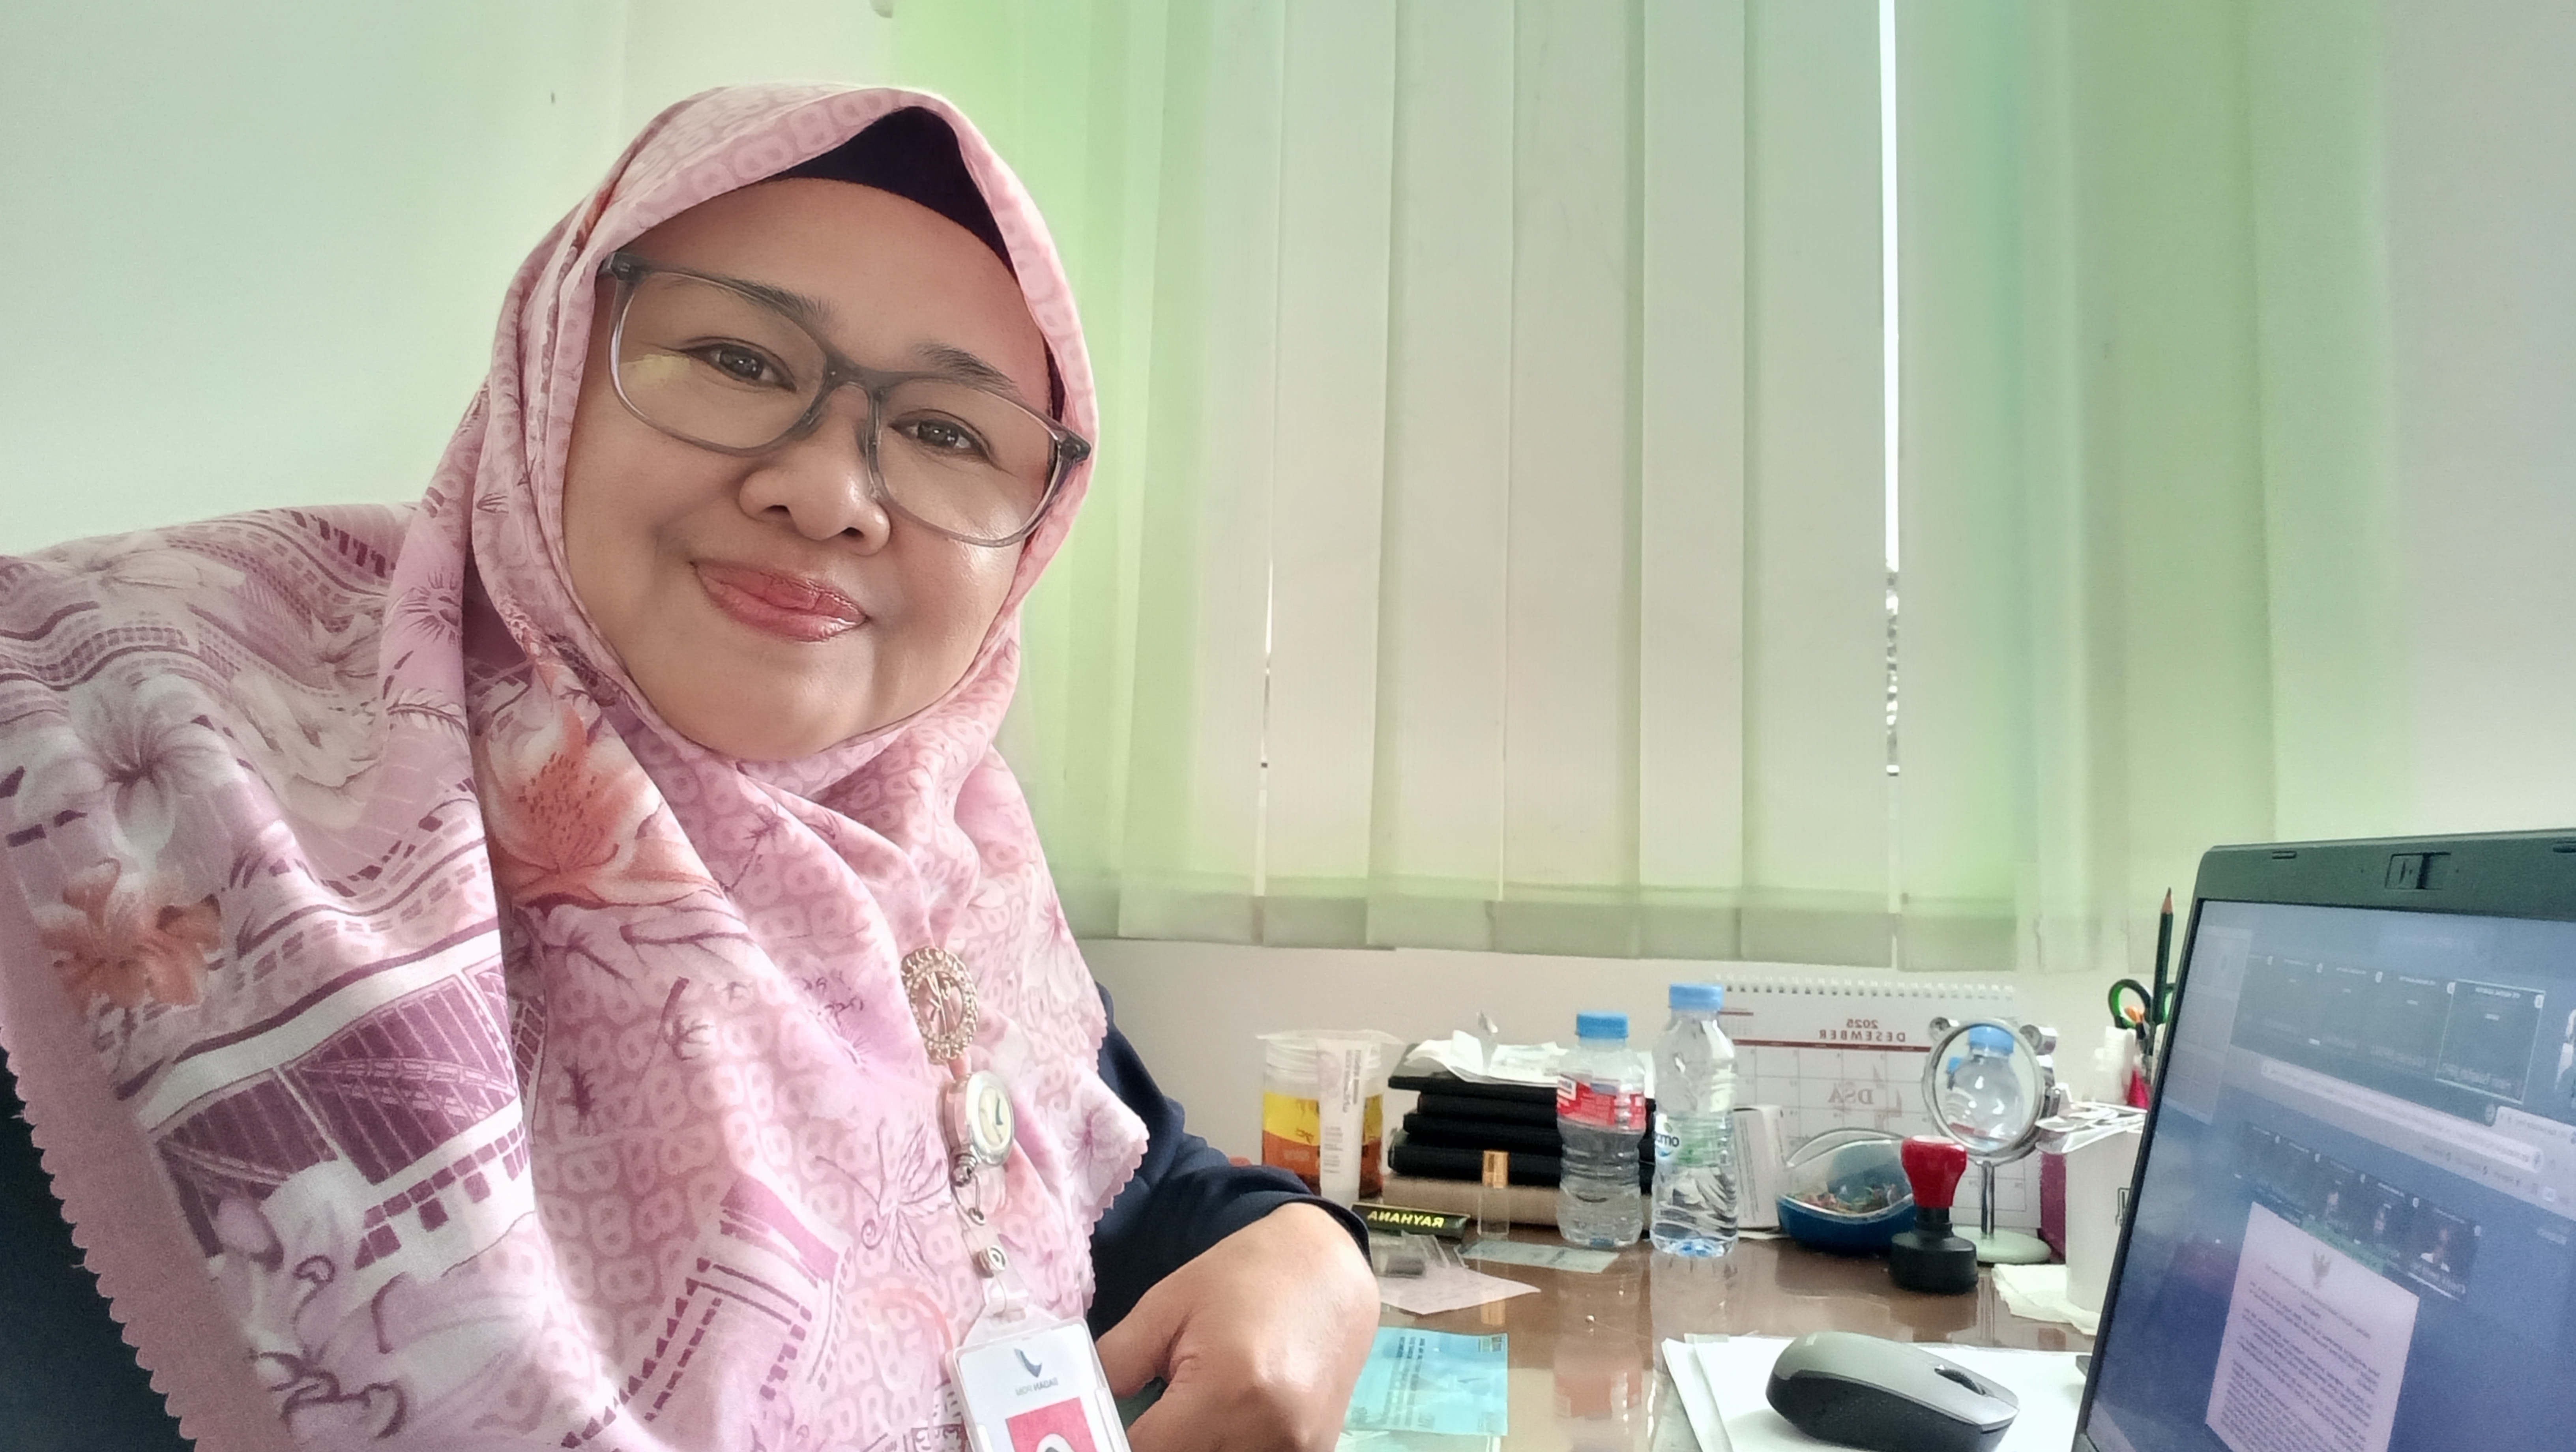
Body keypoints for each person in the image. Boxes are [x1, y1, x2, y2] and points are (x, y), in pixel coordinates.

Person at [0, 86, 1376, 1450]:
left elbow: (1137, 1186)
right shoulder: (128, 767)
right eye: (738, 359)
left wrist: (1314, 1256)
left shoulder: (941, 870)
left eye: (951, 433)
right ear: (551, 378)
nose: (828, 492)